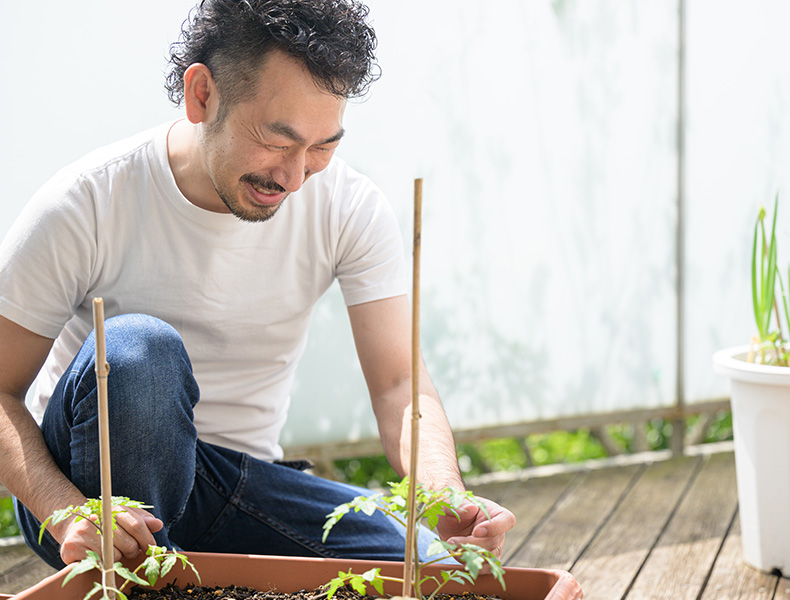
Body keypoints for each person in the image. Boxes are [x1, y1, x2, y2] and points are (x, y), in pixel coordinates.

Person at [0, 0, 514, 571]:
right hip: (88, 493)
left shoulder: (347, 206)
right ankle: (140, 570)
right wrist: (66, 511)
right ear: (202, 95)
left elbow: (399, 384)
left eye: (323, 146)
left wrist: (443, 492)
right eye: (277, 139)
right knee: (138, 350)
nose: (294, 178)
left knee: (438, 565)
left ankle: (183, 568)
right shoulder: (87, 202)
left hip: (241, 487)